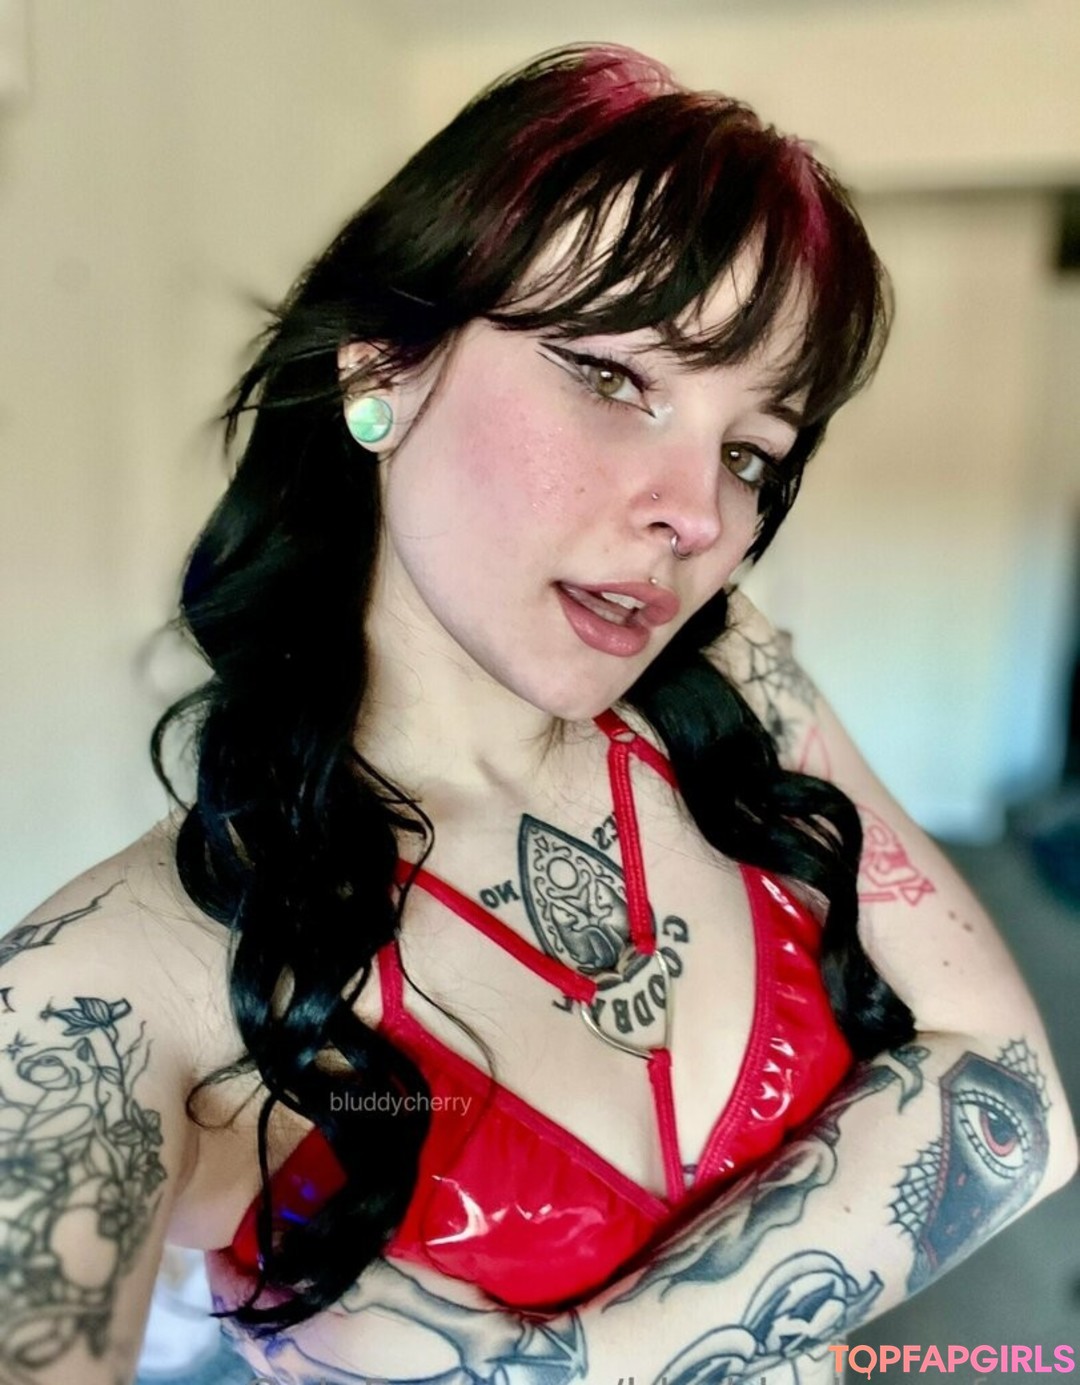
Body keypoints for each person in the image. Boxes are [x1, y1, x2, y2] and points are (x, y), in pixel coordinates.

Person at [1, 43, 1074, 1385]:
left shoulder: (729, 677)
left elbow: (1017, 1101)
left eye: (751, 452)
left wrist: (558, 1368)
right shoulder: (113, 992)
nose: (698, 515)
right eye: (614, 378)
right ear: (382, 370)